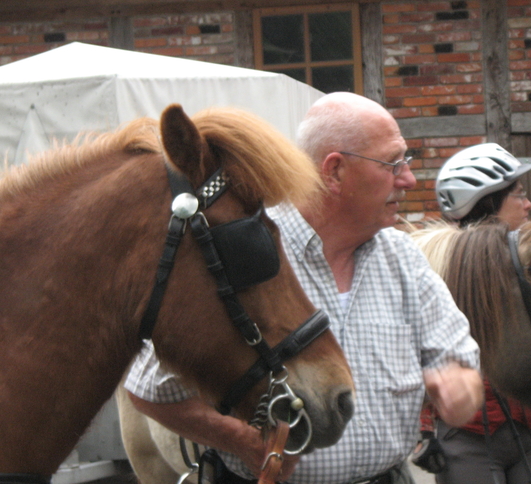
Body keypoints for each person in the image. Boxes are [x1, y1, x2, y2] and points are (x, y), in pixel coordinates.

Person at [124, 92, 483, 484]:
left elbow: (458, 358)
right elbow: (148, 389)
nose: (409, 179)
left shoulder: (402, 259)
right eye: (392, 163)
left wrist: (461, 387)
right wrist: (242, 440)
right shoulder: (250, 253)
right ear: (335, 171)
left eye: (406, 163)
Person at [412, 143, 531, 484]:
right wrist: (423, 429)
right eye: (519, 195)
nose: (529, 204)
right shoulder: (437, 269)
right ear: (487, 203)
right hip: (468, 437)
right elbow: (421, 352)